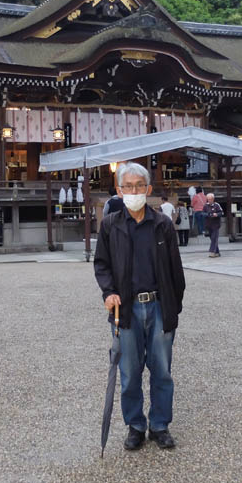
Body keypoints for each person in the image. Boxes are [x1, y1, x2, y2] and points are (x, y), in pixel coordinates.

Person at [94, 161, 185, 451]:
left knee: (162, 371)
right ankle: (135, 425)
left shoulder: (163, 225)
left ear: (148, 189)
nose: (134, 191)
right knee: (130, 373)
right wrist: (108, 293)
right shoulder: (110, 225)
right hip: (127, 309)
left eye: (139, 186)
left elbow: (176, 272)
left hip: (158, 305)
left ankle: (160, 424)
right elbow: (102, 264)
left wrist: (173, 308)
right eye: (128, 186)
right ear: (119, 191)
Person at [203, 192, 224, 257]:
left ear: (213, 199)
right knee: (212, 239)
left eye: (210, 199)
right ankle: (217, 252)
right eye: (208, 199)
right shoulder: (205, 206)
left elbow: (221, 213)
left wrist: (217, 214)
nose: (209, 200)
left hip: (216, 225)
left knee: (214, 238)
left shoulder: (217, 205)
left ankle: (212, 252)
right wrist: (208, 214)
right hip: (208, 225)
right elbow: (202, 213)